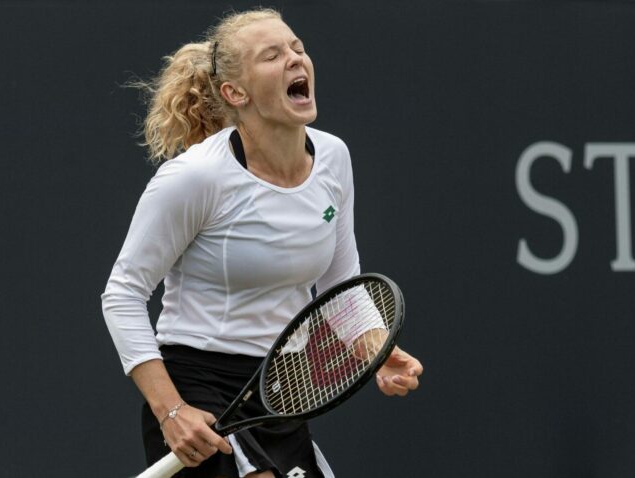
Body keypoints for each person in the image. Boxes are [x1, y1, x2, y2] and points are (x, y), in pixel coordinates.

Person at [102, 8, 423, 478]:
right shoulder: (195, 178)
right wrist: (170, 412)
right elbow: (123, 294)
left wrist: (375, 350)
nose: (295, 60)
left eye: (297, 48)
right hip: (198, 391)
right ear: (235, 92)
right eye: (272, 56)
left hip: (279, 388)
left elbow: (341, 283)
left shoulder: (334, 157)